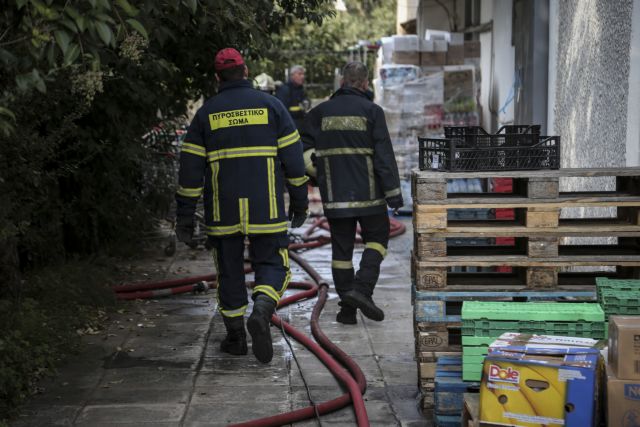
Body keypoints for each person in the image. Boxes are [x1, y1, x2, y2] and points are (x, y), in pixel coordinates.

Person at [174, 48, 309, 363]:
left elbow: (190, 170)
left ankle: (236, 338)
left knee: (229, 272)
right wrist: (300, 202)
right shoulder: (272, 106)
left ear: (217, 77)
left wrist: (184, 217)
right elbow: (294, 161)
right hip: (267, 208)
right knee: (274, 264)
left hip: (224, 212)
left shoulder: (207, 113)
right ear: (246, 71)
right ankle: (262, 309)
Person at [301, 61, 403, 325]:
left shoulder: (319, 113)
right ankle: (363, 290)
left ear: (341, 82)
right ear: (365, 83)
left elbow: (302, 154)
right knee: (377, 240)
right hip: (370, 198)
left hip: (336, 198)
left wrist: (318, 175)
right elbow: (383, 155)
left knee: (342, 253)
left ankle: (347, 310)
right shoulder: (372, 111)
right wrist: (394, 193)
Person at [275, 65, 309, 130]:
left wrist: (307, 102)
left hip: (300, 124)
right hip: (290, 126)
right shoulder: (284, 89)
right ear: (292, 75)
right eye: (299, 74)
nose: (302, 76)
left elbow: (306, 100)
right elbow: (282, 112)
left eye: (303, 74)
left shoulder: (300, 89)